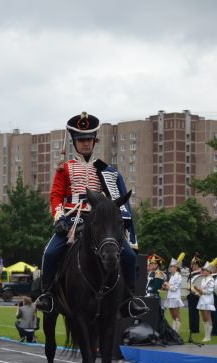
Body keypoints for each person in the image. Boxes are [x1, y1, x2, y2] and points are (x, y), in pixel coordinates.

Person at [36, 112, 148, 318]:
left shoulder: (106, 170)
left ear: (94, 141)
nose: (85, 144)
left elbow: (116, 200)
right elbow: (56, 196)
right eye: (81, 140)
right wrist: (59, 218)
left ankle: (130, 299)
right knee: (50, 253)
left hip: (99, 221)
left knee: (130, 256)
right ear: (75, 142)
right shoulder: (65, 168)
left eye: (88, 139)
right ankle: (47, 295)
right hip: (72, 219)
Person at [163, 254, 185, 332]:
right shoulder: (172, 276)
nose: (170, 268)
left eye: (171, 266)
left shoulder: (178, 276)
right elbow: (170, 288)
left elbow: (174, 288)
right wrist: (165, 287)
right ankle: (174, 330)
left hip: (175, 297)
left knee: (176, 315)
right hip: (170, 297)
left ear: (175, 267)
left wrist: (168, 285)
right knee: (172, 315)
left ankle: (177, 331)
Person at [195, 262, 215, 342]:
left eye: (204, 270)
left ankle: (208, 336)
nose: (202, 271)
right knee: (203, 317)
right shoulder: (204, 279)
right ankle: (206, 335)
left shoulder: (211, 279)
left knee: (208, 317)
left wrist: (200, 290)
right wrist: (197, 291)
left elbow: (209, 291)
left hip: (208, 300)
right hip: (202, 299)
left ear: (209, 271)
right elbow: (202, 290)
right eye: (202, 270)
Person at [186, 253, 203, 337]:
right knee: (191, 312)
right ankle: (192, 328)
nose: (192, 266)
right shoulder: (191, 273)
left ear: (197, 265)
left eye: (194, 264)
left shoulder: (199, 273)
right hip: (190, 294)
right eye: (192, 264)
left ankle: (195, 329)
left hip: (196, 294)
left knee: (195, 312)